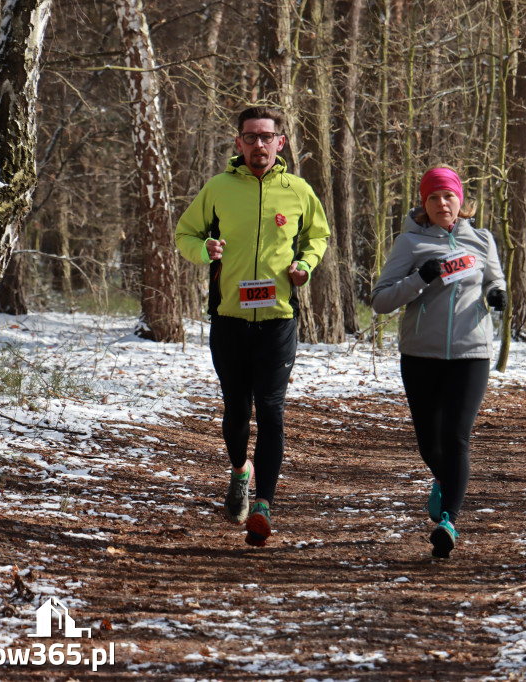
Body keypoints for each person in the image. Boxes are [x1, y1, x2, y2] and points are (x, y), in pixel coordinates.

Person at [175, 106, 330, 547]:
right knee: (237, 411)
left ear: (280, 142)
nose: (258, 144)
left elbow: (318, 235)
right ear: (238, 143)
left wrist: (305, 263)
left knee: (273, 410)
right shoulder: (218, 189)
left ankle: (263, 504)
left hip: (279, 319)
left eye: (266, 137)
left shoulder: (298, 191)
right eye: (250, 137)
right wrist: (206, 249)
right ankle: (240, 470)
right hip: (230, 319)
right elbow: (184, 235)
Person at [372, 166, 506, 559]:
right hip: (420, 355)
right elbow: (380, 300)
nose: (442, 204)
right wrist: (419, 279)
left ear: (460, 201)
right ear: (424, 204)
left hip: (471, 354)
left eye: (448, 196)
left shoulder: (482, 240)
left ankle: (449, 520)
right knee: (430, 444)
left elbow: (494, 281)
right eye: (433, 198)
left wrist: (497, 295)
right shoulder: (410, 243)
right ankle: (444, 481)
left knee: (456, 437)